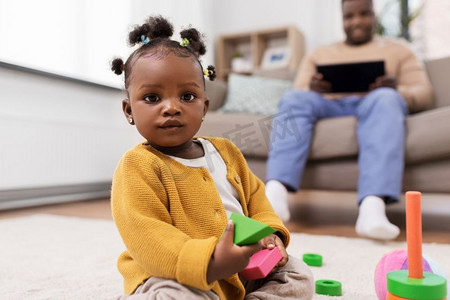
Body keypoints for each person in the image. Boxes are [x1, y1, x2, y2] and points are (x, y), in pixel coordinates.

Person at [110, 16, 314, 299]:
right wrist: (211, 262)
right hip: (175, 274)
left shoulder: (226, 152)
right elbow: (147, 235)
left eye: (187, 96)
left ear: (204, 107)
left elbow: (257, 200)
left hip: (243, 269)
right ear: (129, 110)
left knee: (298, 275)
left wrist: (271, 235)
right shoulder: (138, 165)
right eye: (153, 98)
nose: (171, 108)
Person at [265, 0, 433, 241]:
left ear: (374, 16)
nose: (357, 21)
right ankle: (275, 197)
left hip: (375, 104)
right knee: (293, 98)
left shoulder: (400, 50)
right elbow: (298, 90)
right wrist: (312, 88)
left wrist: (397, 89)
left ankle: (372, 209)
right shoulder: (319, 54)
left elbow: (424, 93)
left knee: (386, 98)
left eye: (364, 14)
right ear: (342, 20)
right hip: (328, 104)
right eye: (349, 16)